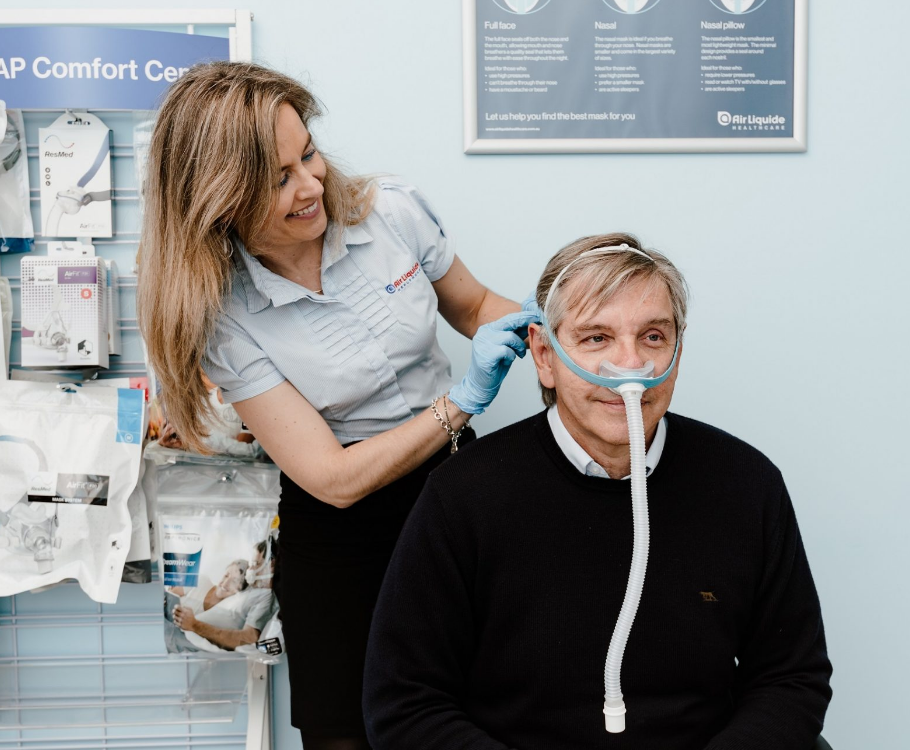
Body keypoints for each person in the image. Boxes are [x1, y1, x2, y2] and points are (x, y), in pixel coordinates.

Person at [136, 61, 535, 749]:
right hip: (341, 524)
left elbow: (473, 307)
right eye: (279, 178)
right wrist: (462, 401)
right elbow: (332, 479)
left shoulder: (392, 212)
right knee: (346, 729)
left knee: (483, 702)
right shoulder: (223, 316)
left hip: (455, 493)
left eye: (309, 153)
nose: (312, 184)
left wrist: (559, 335)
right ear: (220, 197)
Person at [364, 234, 833, 749]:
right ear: (544, 355)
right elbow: (405, 702)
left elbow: (791, 678)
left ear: (678, 348)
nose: (628, 365)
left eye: (653, 337)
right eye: (596, 338)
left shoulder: (746, 484)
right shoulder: (465, 496)